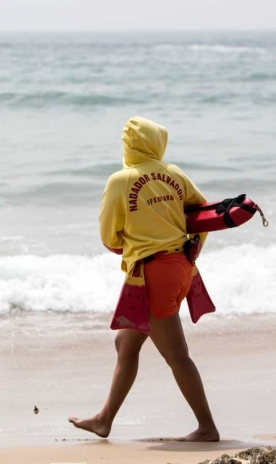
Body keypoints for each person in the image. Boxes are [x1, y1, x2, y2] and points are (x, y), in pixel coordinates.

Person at [68, 116, 220, 442]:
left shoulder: (121, 181)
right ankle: (104, 419)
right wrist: (191, 253)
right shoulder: (174, 174)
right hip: (180, 267)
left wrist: (130, 243)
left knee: (176, 355)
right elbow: (204, 214)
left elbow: (109, 235)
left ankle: (207, 428)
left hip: (153, 274)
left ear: (129, 146)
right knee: (126, 342)